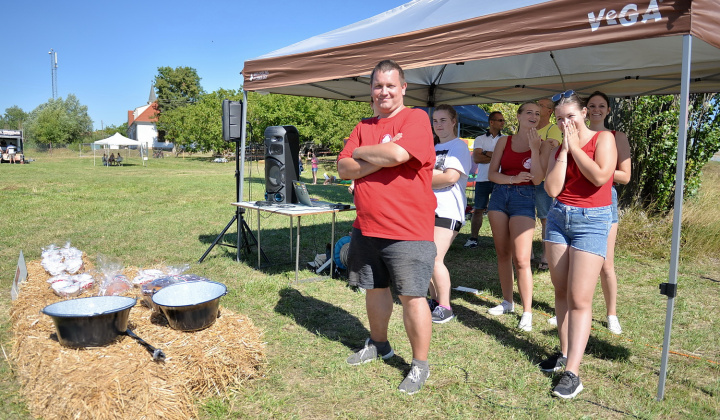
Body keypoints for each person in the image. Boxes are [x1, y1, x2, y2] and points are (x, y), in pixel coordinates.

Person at [338, 60, 436, 395]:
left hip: (408, 228)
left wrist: (364, 154)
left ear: (403, 87)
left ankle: (419, 365)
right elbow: (342, 168)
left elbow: (396, 153)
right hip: (367, 226)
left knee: (412, 297)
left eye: (391, 85)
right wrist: (372, 160)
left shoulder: (415, 119)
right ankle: (379, 344)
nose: (384, 92)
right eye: (378, 86)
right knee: (374, 289)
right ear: (371, 90)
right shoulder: (362, 123)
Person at [539, 91, 617, 399]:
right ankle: (564, 352)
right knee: (560, 291)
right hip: (559, 218)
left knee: (579, 298)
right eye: (559, 118)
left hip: (593, 220)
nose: (564, 123)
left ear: (584, 113)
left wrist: (576, 148)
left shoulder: (604, 139)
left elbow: (599, 177)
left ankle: (573, 372)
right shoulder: (561, 146)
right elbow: (552, 188)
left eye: (570, 116)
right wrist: (564, 152)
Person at [486, 103, 544, 331]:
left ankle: (527, 311)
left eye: (537, 114)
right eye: (528, 112)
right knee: (503, 253)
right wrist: (511, 179)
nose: (533, 116)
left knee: (521, 259)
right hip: (500, 196)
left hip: (525, 198)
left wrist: (535, 149)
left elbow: (538, 180)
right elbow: (492, 173)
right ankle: (507, 302)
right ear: (519, 116)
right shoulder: (504, 141)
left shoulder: (541, 144)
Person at [587, 91, 631, 335]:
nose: (596, 109)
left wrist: (596, 171)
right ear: (585, 110)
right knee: (576, 264)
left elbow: (624, 176)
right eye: (592, 105)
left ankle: (611, 314)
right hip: (576, 200)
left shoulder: (616, 136)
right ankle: (572, 309)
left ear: (608, 110)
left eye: (601, 106)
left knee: (605, 263)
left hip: (605, 200)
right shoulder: (576, 135)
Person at [428, 104, 472, 323]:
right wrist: (436, 174)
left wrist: (427, 176)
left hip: (448, 210)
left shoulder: (460, 146)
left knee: (435, 258)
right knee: (425, 257)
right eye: (435, 121)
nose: (439, 125)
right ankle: (434, 301)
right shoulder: (432, 147)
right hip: (427, 209)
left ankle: (445, 306)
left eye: (443, 120)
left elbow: (450, 177)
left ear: (454, 122)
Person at [464, 111, 505, 248]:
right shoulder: (480, 138)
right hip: (482, 179)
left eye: (503, 120)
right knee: (478, 210)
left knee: (499, 211)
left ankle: (500, 239)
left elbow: (504, 159)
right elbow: (477, 158)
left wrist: (486, 153)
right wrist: (496, 156)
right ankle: (473, 238)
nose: (502, 122)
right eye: (500, 120)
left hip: (499, 179)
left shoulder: (505, 138)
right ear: (491, 122)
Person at [534, 98, 563, 270]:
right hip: (526, 178)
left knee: (545, 219)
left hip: (543, 180)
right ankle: (528, 253)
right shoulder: (528, 128)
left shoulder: (552, 129)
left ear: (549, 111)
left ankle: (546, 255)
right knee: (526, 217)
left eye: (540, 105)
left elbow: (552, 149)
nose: (537, 107)